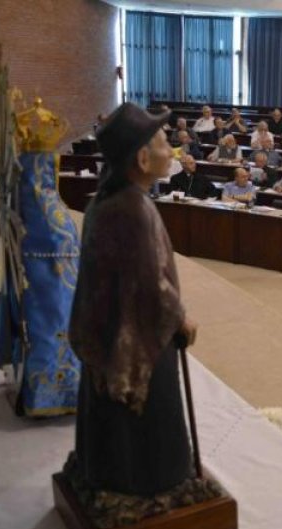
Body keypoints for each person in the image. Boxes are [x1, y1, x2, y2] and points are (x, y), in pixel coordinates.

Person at [68, 102, 197, 498]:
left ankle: (109, 473)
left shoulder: (104, 202)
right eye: (162, 143)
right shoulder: (134, 210)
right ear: (142, 158)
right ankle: (150, 482)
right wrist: (180, 320)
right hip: (135, 342)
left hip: (107, 337)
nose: (170, 151)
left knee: (110, 423)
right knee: (145, 430)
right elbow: (151, 285)